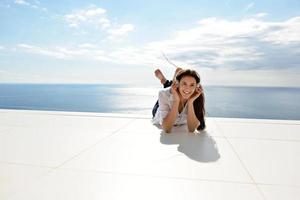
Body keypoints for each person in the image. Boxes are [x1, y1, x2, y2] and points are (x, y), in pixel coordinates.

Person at [152, 68, 206, 133]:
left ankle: (169, 81)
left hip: (176, 88)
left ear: (196, 87)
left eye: (192, 85)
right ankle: (164, 81)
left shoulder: (195, 96)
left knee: (175, 88)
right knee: (169, 90)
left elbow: (191, 129)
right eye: (184, 83)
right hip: (158, 110)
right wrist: (176, 101)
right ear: (178, 84)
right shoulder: (163, 94)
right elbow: (167, 129)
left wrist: (190, 102)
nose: (188, 88)